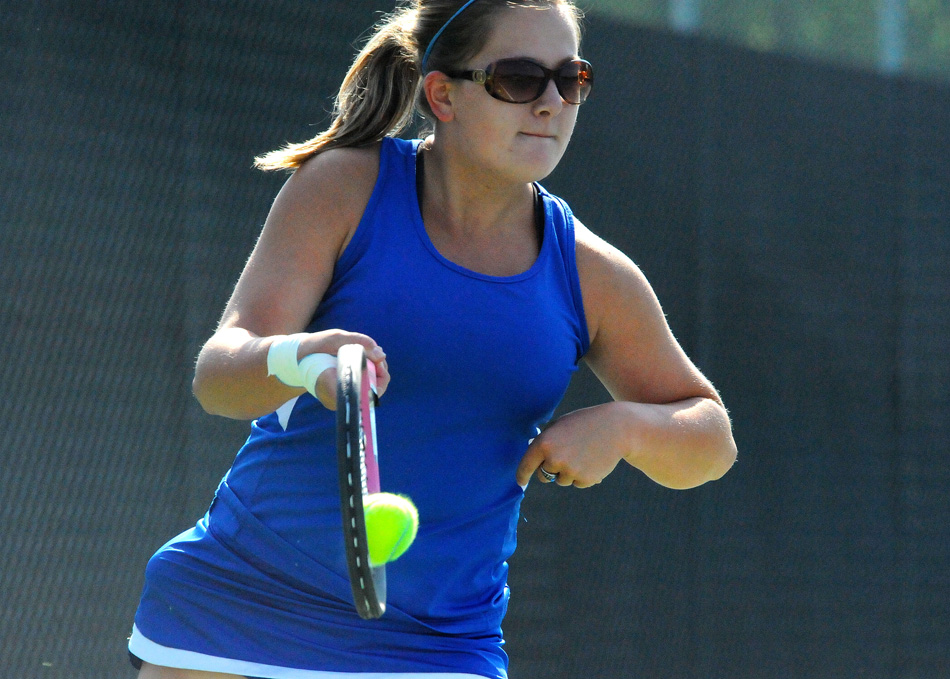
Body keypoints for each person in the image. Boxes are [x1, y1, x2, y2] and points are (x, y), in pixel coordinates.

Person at [128, 0, 737, 677]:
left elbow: (711, 438)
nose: (550, 103)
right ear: (442, 94)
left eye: (570, 79)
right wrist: (302, 359)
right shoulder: (342, 188)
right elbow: (218, 377)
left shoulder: (592, 274)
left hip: (440, 644)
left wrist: (626, 428)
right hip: (236, 607)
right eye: (518, 79)